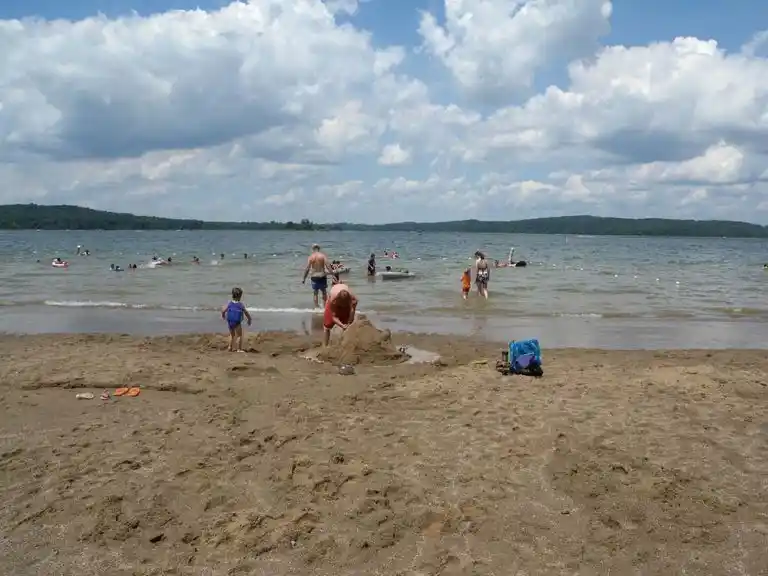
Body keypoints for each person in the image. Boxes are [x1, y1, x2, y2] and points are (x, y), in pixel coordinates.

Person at [323, 282, 358, 346]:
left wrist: (348, 323)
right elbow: (334, 317)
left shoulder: (353, 300)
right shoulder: (333, 300)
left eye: (345, 304)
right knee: (327, 325)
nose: (343, 306)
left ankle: (343, 344)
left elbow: (352, 312)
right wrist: (341, 325)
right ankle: (325, 345)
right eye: (342, 304)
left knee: (347, 325)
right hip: (334, 300)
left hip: (345, 297)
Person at [221, 287, 252, 352]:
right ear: (240, 296)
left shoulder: (229, 303)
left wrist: (223, 316)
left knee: (232, 335)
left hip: (230, 321)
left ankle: (229, 347)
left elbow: (223, 310)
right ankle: (239, 349)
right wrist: (249, 319)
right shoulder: (240, 305)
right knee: (239, 335)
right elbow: (246, 312)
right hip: (237, 322)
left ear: (232, 295)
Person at [302, 243, 332, 308]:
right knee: (324, 291)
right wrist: (333, 275)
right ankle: (325, 307)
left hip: (314, 276)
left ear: (312, 249)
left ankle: (316, 307)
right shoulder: (322, 256)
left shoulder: (311, 257)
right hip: (322, 276)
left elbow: (307, 268)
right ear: (319, 248)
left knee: (315, 292)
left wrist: (304, 278)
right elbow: (328, 266)